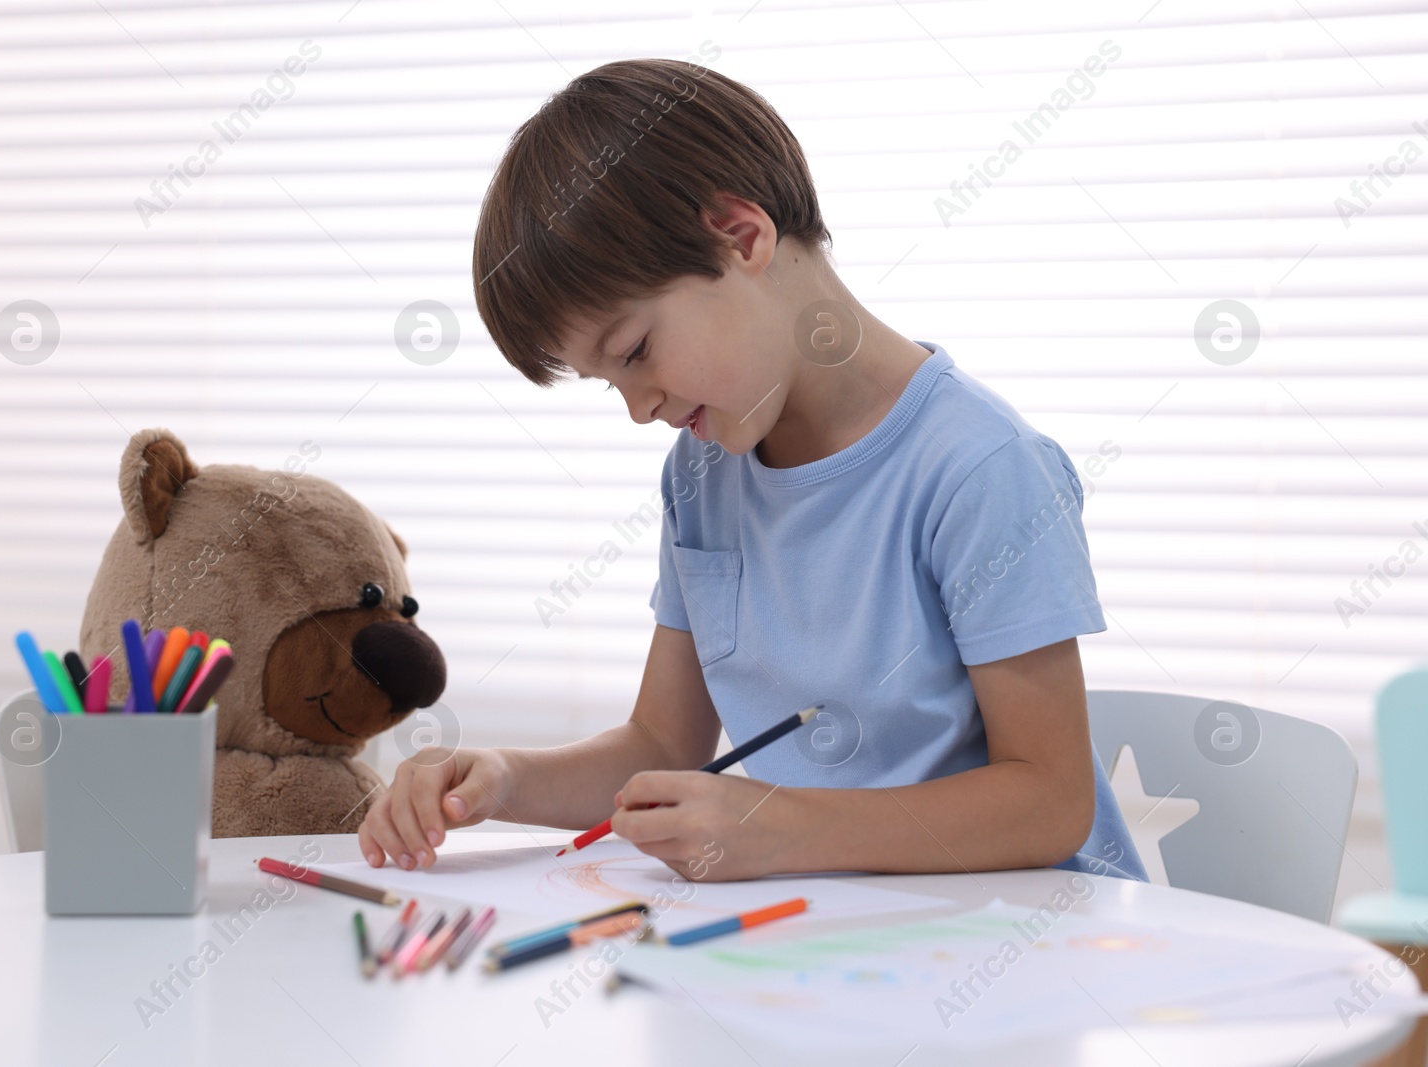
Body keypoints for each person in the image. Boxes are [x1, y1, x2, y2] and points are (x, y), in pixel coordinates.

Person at [358, 56, 1146, 883]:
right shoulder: (702, 478)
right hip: (849, 945)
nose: (638, 405)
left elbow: (1050, 802)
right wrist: (508, 779)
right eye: (609, 380)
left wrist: (782, 828)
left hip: (1026, 943)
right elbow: (664, 745)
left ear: (740, 236)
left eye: (636, 352)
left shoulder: (980, 470)